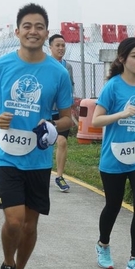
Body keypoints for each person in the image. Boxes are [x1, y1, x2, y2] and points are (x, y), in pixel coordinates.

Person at [0, 3, 73, 269]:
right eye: (27, 26)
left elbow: (68, 118)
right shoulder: (1, 66)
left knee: (30, 225)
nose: (33, 31)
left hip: (38, 158)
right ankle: (7, 264)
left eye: (39, 27)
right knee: (14, 220)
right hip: (7, 154)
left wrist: (52, 125)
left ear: (46, 33)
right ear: (17, 31)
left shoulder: (58, 73)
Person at [91, 37, 135, 269]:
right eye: (134, 56)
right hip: (114, 155)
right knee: (113, 205)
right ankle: (103, 245)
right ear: (122, 59)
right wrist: (120, 113)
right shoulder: (112, 87)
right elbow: (96, 120)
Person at [49, 34, 74, 192]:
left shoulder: (67, 67)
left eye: (63, 45)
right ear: (50, 47)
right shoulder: (45, 65)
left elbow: (70, 87)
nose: (60, 48)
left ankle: (59, 176)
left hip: (62, 112)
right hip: (46, 111)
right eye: (57, 45)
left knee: (62, 141)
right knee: (44, 143)